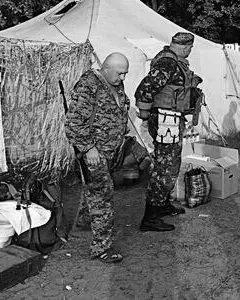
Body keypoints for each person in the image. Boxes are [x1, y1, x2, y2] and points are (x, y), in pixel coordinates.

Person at [65, 52, 130, 264]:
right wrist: (88, 148)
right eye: (120, 73)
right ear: (107, 68)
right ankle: (102, 248)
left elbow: (118, 107)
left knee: (94, 190)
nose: (123, 78)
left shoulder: (115, 84)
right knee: (103, 196)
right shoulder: (88, 85)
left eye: (125, 74)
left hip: (109, 150)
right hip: (94, 153)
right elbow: (74, 123)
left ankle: (84, 221)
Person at [135, 32, 203, 232]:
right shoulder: (168, 63)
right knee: (166, 168)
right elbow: (145, 87)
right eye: (190, 48)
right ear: (184, 47)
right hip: (166, 119)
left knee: (169, 162)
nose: (190, 51)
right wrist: (145, 115)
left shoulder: (170, 61)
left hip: (170, 119)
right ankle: (151, 217)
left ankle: (162, 203)